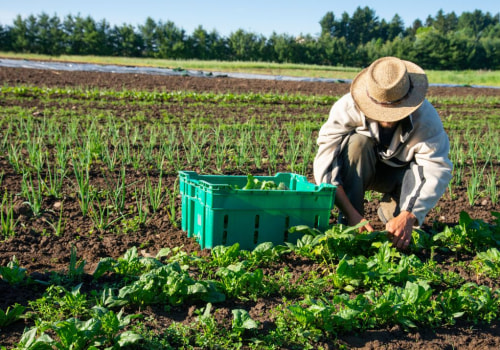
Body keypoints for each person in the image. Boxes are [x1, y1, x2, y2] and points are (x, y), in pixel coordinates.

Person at [313, 56, 452, 249]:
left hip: (400, 176)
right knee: (356, 144)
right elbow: (326, 164)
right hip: (362, 168)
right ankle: (350, 224)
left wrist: (409, 215)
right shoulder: (347, 107)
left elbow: (435, 168)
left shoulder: (425, 118)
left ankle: (394, 208)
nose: (387, 118)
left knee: (400, 232)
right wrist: (353, 215)